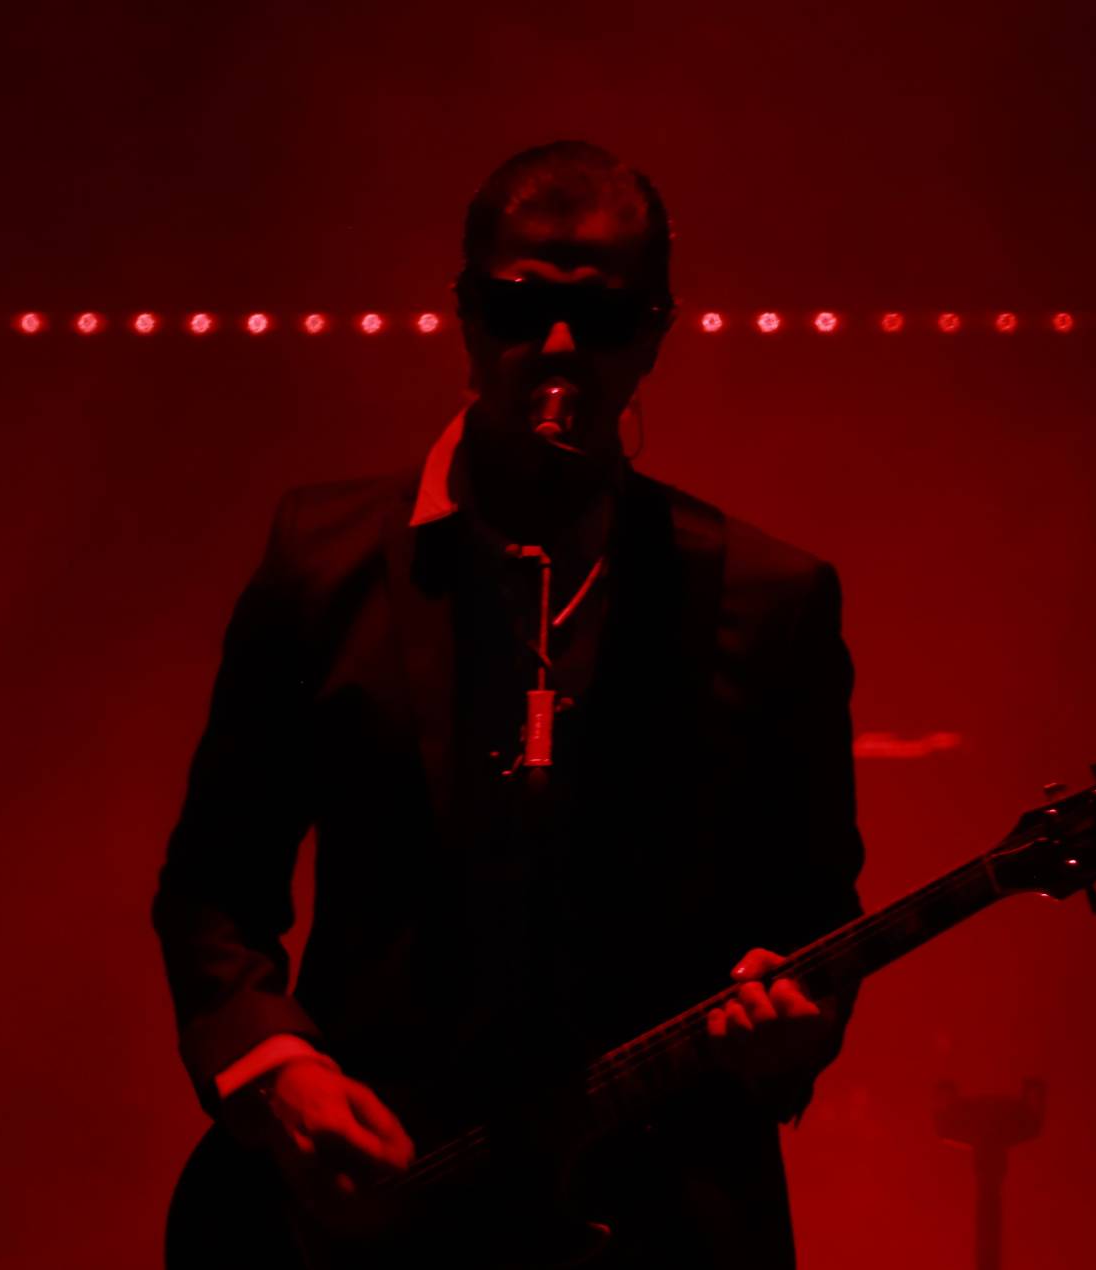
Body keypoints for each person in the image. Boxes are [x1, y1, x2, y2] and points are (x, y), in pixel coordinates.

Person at [153, 140, 865, 1268]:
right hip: (354, 1217)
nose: (560, 348)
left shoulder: (767, 599)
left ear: (657, 335)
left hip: (652, 1215)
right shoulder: (320, 560)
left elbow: (814, 915)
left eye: (608, 318)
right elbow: (213, 887)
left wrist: (793, 1031)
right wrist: (277, 1070)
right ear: (463, 311)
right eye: (518, 306)